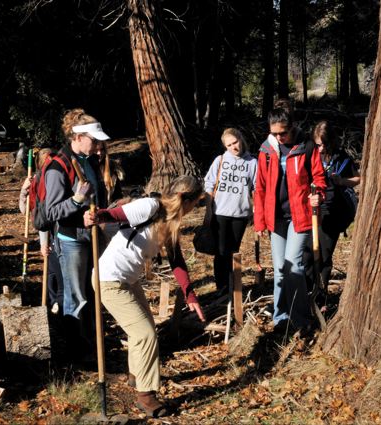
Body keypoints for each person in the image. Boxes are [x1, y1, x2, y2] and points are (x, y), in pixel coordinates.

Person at [84, 175, 206, 418]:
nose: (195, 208)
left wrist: (190, 296)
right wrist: (97, 216)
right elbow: (116, 215)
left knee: (145, 329)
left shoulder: (171, 221)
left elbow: (177, 262)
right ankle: (146, 396)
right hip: (109, 280)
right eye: (196, 202)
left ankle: (137, 375)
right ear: (187, 199)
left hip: (128, 280)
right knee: (145, 334)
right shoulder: (150, 206)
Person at [253, 99, 327, 334]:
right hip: (276, 218)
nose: (279, 137)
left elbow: (319, 178)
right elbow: (261, 187)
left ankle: (302, 320)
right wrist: (260, 221)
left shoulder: (306, 147)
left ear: (292, 127)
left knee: (293, 264)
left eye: (283, 133)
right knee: (279, 268)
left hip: (300, 216)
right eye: (274, 133)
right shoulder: (266, 151)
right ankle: (280, 318)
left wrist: (319, 195)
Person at [44, 108, 108, 352]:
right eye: (94, 139)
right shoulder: (57, 167)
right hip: (71, 240)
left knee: (92, 293)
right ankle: (74, 352)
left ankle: (92, 343)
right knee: (75, 297)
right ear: (78, 137)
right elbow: (51, 212)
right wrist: (76, 201)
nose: (97, 145)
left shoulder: (89, 160)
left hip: (92, 235)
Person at [203, 128, 257, 292]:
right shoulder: (220, 160)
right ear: (225, 147)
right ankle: (221, 287)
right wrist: (208, 210)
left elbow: (256, 189)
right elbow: (209, 185)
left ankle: (233, 286)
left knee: (233, 252)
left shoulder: (252, 163)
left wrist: (256, 211)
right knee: (220, 252)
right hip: (220, 213)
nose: (233, 147)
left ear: (241, 139)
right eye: (229, 145)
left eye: (235, 142)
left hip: (240, 215)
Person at [312, 121, 360, 287]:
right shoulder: (311, 155)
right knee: (308, 253)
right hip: (312, 209)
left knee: (325, 253)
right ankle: (309, 289)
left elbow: (357, 179)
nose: (321, 148)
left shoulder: (341, 157)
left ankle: (322, 292)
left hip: (334, 210)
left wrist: (341, 181)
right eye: (318, 144)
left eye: (324, 144)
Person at [18, 148, 66, 313]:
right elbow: (29, 212)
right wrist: (24, 190)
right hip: (48, 233)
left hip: (60, 234)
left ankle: (58, 303)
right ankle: (53, 303)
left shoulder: (58, 178)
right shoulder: (37, 181)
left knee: (57, 270)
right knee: (52, 270)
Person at [95, 139, 124, 205]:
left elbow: (117, 194)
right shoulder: (86, 169)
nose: (99, 153)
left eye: (102, 149)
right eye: (96, 150)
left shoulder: (112, 168)